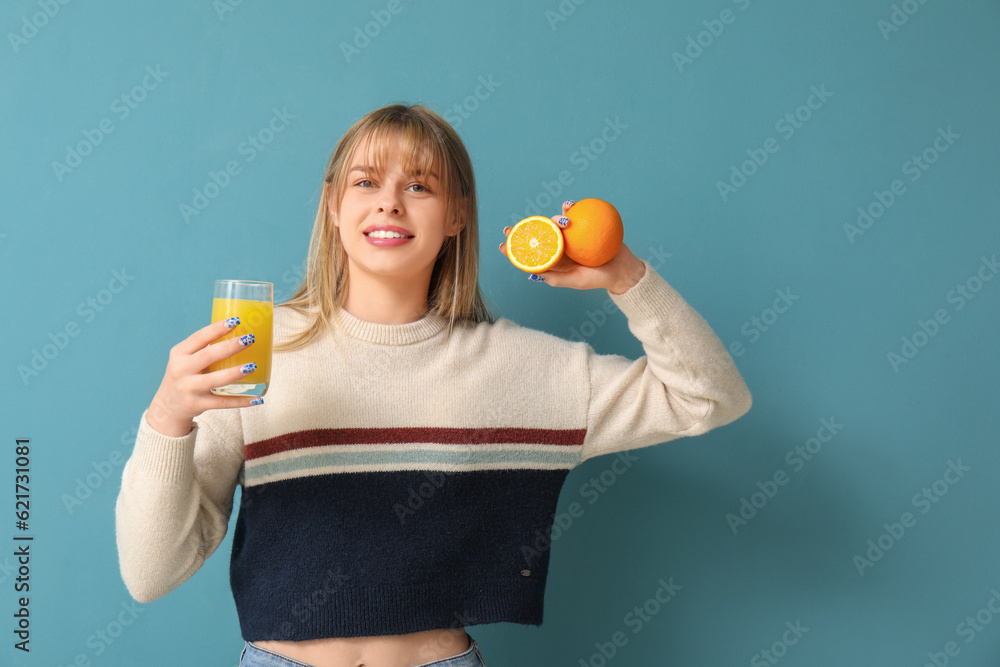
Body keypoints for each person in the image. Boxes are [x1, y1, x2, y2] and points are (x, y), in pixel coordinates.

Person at [115, 103, 752, 667]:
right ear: (334, 205)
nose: (389, 202)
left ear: (456, 215)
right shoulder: (257, 350)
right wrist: (167, 417)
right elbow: (150, 575)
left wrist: (626, 277)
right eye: (366, 182)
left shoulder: (526, 370)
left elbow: (709, 397)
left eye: (419, 185)